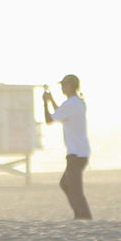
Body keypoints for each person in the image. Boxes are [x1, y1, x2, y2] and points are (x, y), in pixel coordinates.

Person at [42, 74, 92, 219]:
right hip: (80, 152)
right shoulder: (76, 103)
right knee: (66, 184)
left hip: (76, 153)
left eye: (64, 85)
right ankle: (80, 215)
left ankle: (84, 217)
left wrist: (45, 103)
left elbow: (49, 120)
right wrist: (51, 100)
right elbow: (61, 114)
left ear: (70, 86)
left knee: (74, 188)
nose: (62, 88)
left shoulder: (71, 104)